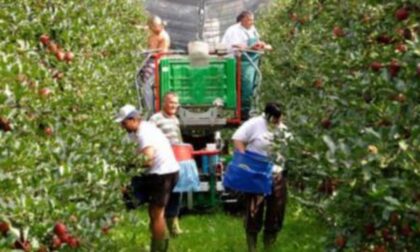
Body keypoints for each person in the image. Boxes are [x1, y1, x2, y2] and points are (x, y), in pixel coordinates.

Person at [115, 104, 179, 252]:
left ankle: (158, 249)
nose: (122, 126)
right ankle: (159, 245)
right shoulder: (134, 132)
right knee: (151, 212)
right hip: (154, 172)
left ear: (133, 119)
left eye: (123, 123)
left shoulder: (145, 132)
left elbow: (147, 160)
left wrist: (127, 165)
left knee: (156, 213)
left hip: (164, 173)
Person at [231, 102, 290, 252]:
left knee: (276, 210)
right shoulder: (255, 124)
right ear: (268, 116)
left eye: (280, 119)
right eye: (276, 119)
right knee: (254, 209)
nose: (278, 122)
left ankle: (269, 246)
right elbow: (237, 139)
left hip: (277, 174)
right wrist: (247, 161)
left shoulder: (282, 129)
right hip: (257, 173)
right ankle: (252, 247)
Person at [221, 11, 272, 120]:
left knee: (254, 86)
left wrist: (262, 45)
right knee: (245, 87)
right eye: (249, 20)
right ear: (242, 20)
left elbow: (257, 41)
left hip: (253, 61)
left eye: (252, 20)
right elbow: (236, 46)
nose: (251, 22)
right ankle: (243, 112)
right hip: (241, 61)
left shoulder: (253, 29)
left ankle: (252, 110)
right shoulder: (234, 30)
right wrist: (251, 46)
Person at [149, 92, 184, 237]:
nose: (174, 105)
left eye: (176, 103)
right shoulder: (155, 118)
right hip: (162, 163)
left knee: (177, 191)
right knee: (162, 195)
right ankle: (157, 226)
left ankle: (173, 225)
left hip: (175, 160)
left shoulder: (176, 119)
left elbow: (179, 139)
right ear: (164, 103)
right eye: (171, 102)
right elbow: (149, 137)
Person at [140, 15, 171, 112]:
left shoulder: (163, 37)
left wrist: (146, 51)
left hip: (157, 61)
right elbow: (142, 28)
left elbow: (161, 53)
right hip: (149, 59)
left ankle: (149, 111)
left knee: (146, 86)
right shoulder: (151, 32)